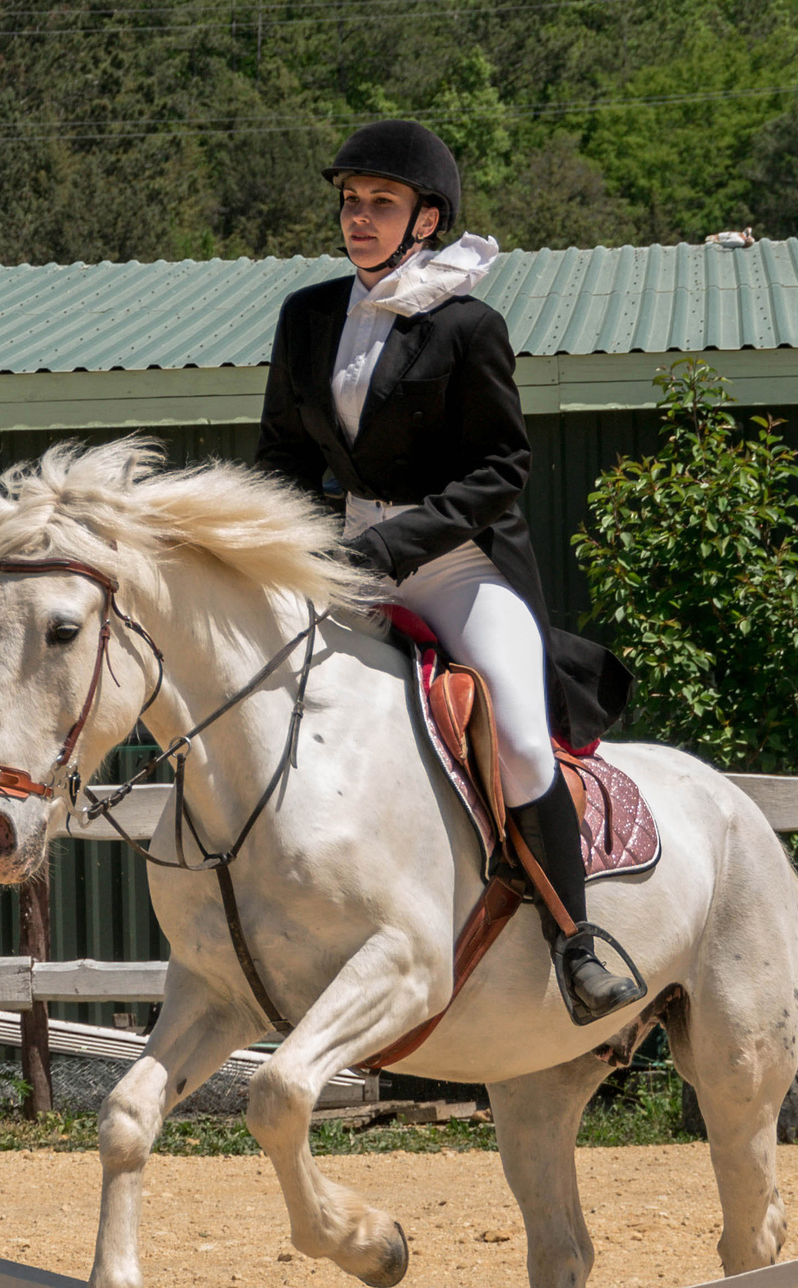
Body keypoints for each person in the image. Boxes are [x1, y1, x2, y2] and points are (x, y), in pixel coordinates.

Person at [253, 119, 645, 1025]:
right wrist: (278, 546)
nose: (358, 218)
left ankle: (575, 941)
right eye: (350, 202)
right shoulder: (307, 317)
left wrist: (392, 547)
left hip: (458, 566)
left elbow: (501, 469)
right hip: (342, 562)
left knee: (511, 730)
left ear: (426, 219)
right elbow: (280, 452)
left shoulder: (469, 326)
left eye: (380, 204)